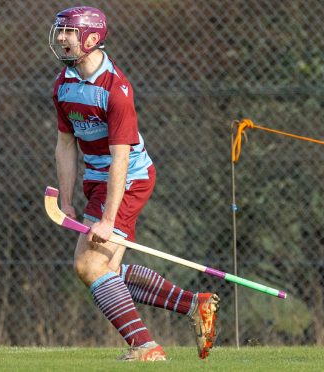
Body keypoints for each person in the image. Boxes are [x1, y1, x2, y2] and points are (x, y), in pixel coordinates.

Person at [50, 6, 220, 361]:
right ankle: (193, 305)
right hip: (97, 180)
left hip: (128, 179)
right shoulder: (63, 85)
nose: (62, 38)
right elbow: (65, 143)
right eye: (60, 31)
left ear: (92, 38)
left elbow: (122, 159)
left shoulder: (116, 90)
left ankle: (145, 347)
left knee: (88, 266)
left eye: (69, 32)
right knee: (107, 270)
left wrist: (108, 219)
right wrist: (66, 200)